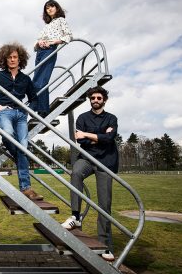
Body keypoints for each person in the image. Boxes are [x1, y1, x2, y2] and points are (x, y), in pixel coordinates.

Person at [61, 86, 118, 262]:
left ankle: (105, 245)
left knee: (104, 204)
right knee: (75, 173)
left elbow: (110, 140)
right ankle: (76, 217)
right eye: (93, 97)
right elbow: (80, 140)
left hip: (106, 163)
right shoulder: (82, 117)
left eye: (99, 98)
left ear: (104, 100)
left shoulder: (111, 118)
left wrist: (88, 135)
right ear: (89, 99)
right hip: (86, 158)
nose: (95, 100)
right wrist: (99, 137)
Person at [0, 43, 42, 200]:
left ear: (20, 59)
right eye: (9, 57)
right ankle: (21, 162)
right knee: (9, 135)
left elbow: (34, 99)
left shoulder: (25, 79)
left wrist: (27, 110)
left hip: (21, 115)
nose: (12, 59)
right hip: (5, 113)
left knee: (23, 148)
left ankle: (26, 188)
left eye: (15, 57)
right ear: (5, 59)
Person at [31, 0, 72, 117]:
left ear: (56, 7)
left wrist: (55, 41)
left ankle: (40, 110)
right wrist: (39, 42)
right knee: (36, 80)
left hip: (49, 50)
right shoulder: (47, 26)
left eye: (51, 6)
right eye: (47, 8)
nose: (49, 9)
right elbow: (37, 40)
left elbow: (69, 35)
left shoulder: (61, 20)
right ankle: (39, 109)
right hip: (40, 51)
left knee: (41, 81)